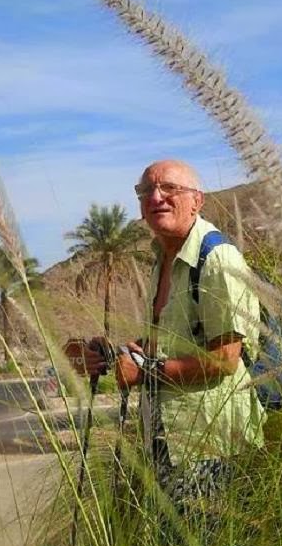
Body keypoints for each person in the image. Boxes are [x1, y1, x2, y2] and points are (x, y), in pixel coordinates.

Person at [67, 159, 265, 524]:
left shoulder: (217, 259)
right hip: (168, 438)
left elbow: (225, 359)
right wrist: (112, 356)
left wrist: (146, 373)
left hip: (209, 442)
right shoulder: (163, 258)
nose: (156, 197)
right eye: (145, 192)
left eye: (169, 188)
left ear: (197, 200)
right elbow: (172, 341)